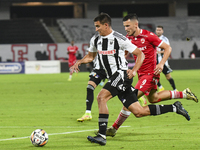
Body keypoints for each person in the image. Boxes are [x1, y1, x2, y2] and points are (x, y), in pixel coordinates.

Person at [70, 13, 191, 146]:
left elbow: (140, 54)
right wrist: (79, 62)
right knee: (139, 111)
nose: (96, 29)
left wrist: (133, 71)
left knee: (101, 97)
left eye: (98, 26)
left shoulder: (120, 38)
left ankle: (102, 135)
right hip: (117, 77)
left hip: (122, 75)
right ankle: (174, 107)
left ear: (106, 25)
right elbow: (91, 56)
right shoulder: (95, 39)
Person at [101, 14, 198, 138]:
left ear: (136, 24)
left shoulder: (149, 36)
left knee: (130, 100)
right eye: (124, 26)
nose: (126, 29)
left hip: (150, 74)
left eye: (128, 26)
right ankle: (184, 94)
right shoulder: (128, 38)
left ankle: (114, 128)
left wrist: (161, 64)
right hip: (141, 75)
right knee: (154, 98)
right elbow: (123, 55)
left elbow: (168, 48)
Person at [156, 26, 177, 92]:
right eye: (157, 30)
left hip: (163, 61)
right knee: (153, 75)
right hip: (155, 60)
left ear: (162, 31)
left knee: (168, 76)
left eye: (160, 30)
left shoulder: (165, 39)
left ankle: (175, 89)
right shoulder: (154, 38)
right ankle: (160, 87)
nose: (158, 31)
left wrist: (160, 52)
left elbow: (168, 49)